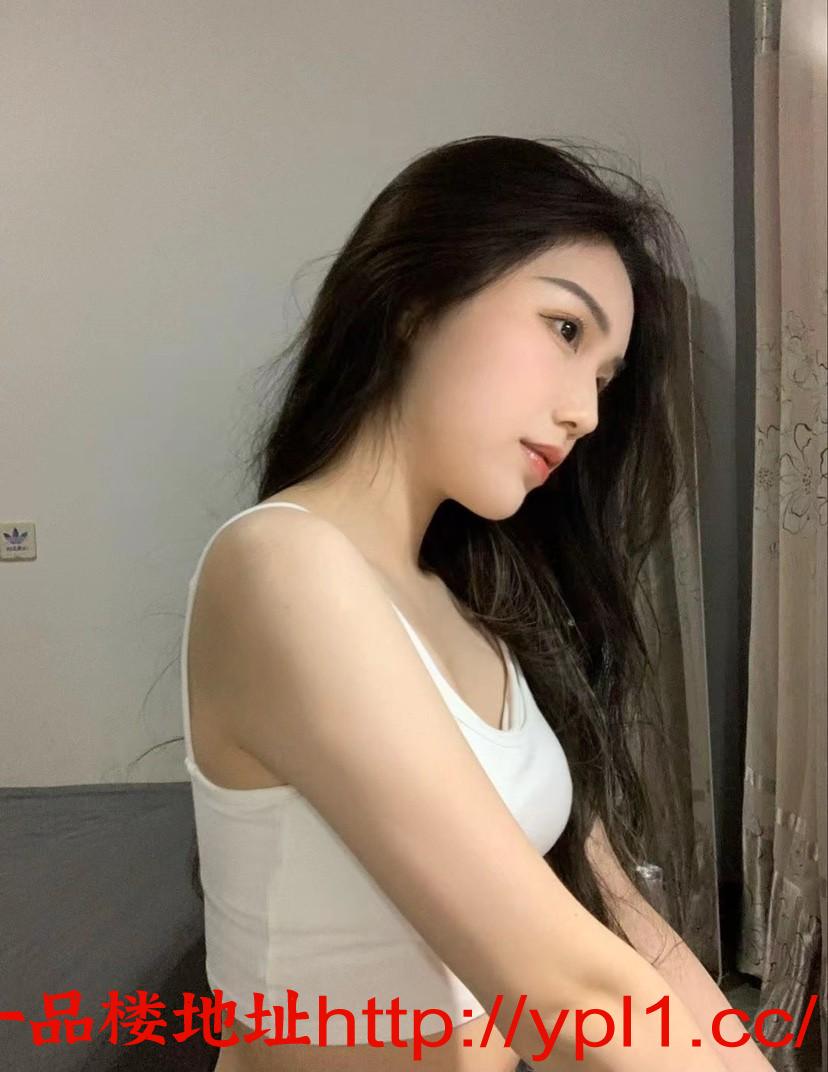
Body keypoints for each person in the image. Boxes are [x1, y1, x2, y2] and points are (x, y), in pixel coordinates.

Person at [179, 136, 765, 1071]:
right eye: (565, 330)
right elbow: (567, 990)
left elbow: (620, 921)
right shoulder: (280, 566)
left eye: (604, 378)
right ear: (418, 299)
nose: (587, 413)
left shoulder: (477, 607)